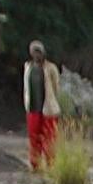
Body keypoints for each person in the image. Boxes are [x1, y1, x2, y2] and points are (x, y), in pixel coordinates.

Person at [22, 40, 61, 171]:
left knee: (49, 138)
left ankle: (51, 165)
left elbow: (56, 86)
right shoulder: (28, 67)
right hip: (33, 108)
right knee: (34, 137)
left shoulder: (50, 68)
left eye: (39, 51)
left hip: (48, 108)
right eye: (34, 51)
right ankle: (35, 165)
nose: (37, 54)